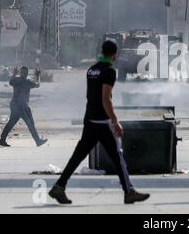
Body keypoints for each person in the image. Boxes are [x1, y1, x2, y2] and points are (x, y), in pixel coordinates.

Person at [49, 40, 150, 205]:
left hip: (89, 119)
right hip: (102, 122)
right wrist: (115, 121)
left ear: (102, 51)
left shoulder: (92, 69)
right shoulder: (109, 71)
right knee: (118, 157)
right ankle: (129, 192)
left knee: (78, 156)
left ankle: (59, 187)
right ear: (114, 54)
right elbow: (106, 98)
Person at [0, 66, 47, 147]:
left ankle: (2, 140)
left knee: (11, 123)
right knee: (30, 123)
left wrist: (14, 74)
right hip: (22, 106)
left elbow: (10, 82)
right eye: (25, 72)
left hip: (15, 105)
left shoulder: (16, 80)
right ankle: (38, 141)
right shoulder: (27, 82)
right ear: (26, 73)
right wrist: (38, 75)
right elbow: (37, 85)